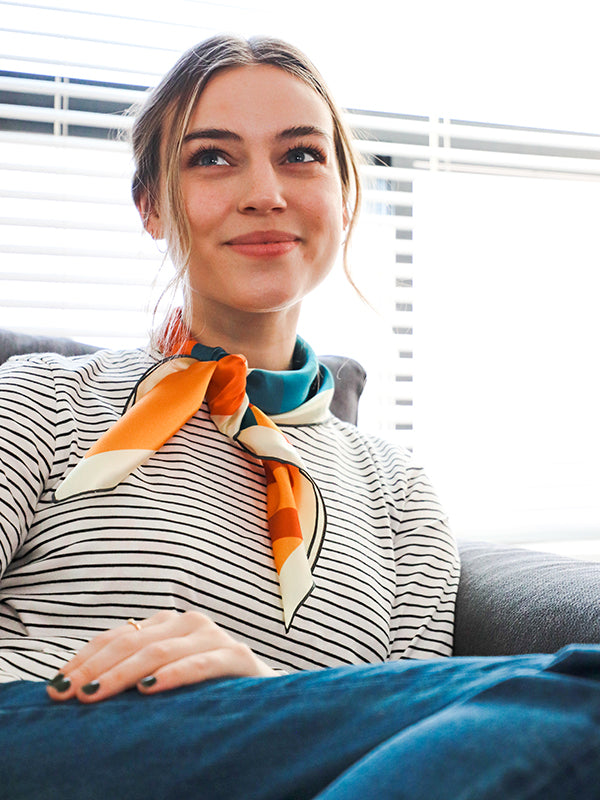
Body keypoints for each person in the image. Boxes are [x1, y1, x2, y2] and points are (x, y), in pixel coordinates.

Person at [0, 34, 598, 800]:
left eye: (301, 155)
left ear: (346, 198)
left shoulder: (398, 492)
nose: (265, 193)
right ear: (151, 207)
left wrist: (257, 688)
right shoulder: (42, 398)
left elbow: (417, 736)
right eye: (212, 157)